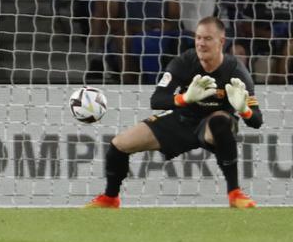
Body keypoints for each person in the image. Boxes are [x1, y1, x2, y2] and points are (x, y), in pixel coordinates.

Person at [87, 17, 262, 209]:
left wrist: (244, 110)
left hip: (213, 126)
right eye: (198, 38)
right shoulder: (185, 61)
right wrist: (185, 98)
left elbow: (257, 120)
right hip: (183, 118)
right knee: (119, 144)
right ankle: (110, 198)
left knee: (219, 121)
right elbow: (157, 99)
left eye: (207, 39)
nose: (201, 43)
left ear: (221, 41)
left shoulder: (236, 70)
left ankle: (235, 194)